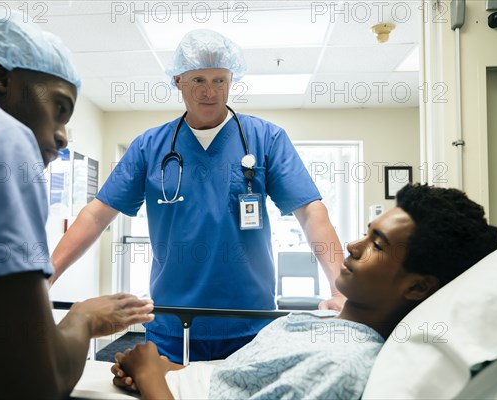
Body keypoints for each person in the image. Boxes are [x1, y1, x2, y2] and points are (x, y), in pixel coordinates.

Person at [50, 29, 345, 363]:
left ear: (232, 79)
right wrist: (46, 277)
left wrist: (341, 288)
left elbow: (311, 213)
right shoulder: (150, 147)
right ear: (178, 81)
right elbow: (96, 215)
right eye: (198, 80)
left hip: (251, 322)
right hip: (171, 323)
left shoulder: (266, 139)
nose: (210, 92)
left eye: (220, 80)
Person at [0, 15, 154, 399]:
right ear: (2, 77)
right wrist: (84, 317)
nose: (62, 138)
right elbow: (35, 386)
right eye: (59, 108)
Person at [110, 183, 497, 399]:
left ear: (418, 286)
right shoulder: (320, 324)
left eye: (377, 245)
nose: (352, 246)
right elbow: (236, 381)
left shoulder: (345, 368)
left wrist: (150, 378)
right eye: (367, 233)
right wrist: (167, 369)